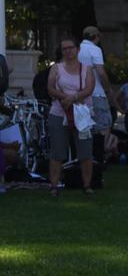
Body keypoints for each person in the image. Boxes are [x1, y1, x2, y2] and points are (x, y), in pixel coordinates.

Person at [46, 37, 95, 195]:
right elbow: (50, 87)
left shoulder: (87, 69)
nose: (68, 51)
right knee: (57, 152)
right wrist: (64, 98)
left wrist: (71, 99)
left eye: (70, 48)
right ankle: (54, 185)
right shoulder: (56, 68)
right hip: (59, 114)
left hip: (82, 115)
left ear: (77, 49)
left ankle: (87, 185)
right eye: (64, 48)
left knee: (85, 152)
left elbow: (89, 89)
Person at [78, 26, 116, 158]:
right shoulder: (95, 50)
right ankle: (100, 156)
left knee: (85, 127)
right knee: (103, 126)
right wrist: (108, 89)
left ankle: (86, 156)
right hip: (96, 93)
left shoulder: (77, 50)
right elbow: (101, 72)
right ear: (96, 37)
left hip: (80, 95)